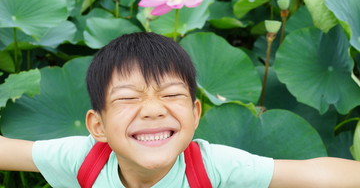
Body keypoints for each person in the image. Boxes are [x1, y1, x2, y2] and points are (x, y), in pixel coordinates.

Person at [0, 32, 360, 188]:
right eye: (128, 98)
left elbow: (316, 175)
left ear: (196, 113)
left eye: (171, 95)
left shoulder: (211, 167)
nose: (153, 110)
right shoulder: (83, 159)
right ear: (97, 126)